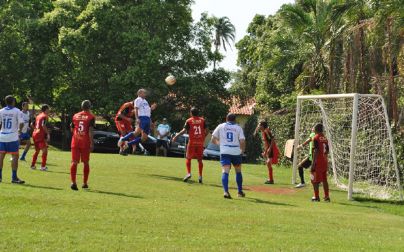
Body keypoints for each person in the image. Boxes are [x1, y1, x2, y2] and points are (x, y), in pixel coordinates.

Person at [211, 113, 246, 199]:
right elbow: (242, 141)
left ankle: (226, 191)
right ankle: (239, 191)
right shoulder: (238, 127)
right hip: (236, 151)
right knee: (238, 171)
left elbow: (213, 139)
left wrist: (220, 145)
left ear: (226, 119)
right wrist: (242, 151)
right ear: (235, 120)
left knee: (225, 171)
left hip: (225, 151)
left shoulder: (221, 126)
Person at [172, 108, 208, 183]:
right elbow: (206, 131)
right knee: (200, 160)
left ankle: (188, 173)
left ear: (191, 113)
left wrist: (176, 136)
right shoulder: (202, 120)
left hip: (192, 142)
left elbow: (184, 130)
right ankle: (200, 176)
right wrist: (203, 137)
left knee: (188, 158)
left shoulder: (189, 121)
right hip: (200, 143)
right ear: (198, 113)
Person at [118, 89, 157, 155]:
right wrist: (137, 118)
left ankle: (128, 144)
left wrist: (151, 109)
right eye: (144, 93)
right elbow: (136, 109)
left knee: (144, 138)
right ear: (140, 93)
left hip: (147, 118)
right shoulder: (138, 99)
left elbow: (147, 112)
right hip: (142, 118)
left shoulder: (145, 101)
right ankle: (123, 139)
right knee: (136, 133)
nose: (145, 94)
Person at [70, 100, 95, 191]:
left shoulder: (75, 115)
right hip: (85, 141)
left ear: (81, 107)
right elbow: (90, 131)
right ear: (90, 107)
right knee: (86, 162)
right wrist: (92, 142)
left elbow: (72, 128)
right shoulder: (91, 117)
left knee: (74, 161)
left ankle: (73, 182)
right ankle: (84, 183)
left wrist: (76, 134)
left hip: (75, 140)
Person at [0, 95, 25, 184]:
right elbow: (21, 123)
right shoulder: (17, 111)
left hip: (2, 136)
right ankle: (14, 177)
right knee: (15, 156)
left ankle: (0, 176)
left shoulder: (1, 111)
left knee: (1, 156)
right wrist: (19, 131)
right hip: (12, 137)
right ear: (13, 101)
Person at [310, 123, 330, 202]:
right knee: (324, 180)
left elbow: (316, 151)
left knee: (314, 179)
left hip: (318, 162)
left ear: (317, 129)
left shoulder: (316, 138)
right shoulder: (325, 138)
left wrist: (313, 163)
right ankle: (326, 196)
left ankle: (316, 196)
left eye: (314, 128)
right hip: (324, 161)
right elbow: (327, 150)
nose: (313, 129)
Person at [31, 104, 50, 171]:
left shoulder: (38, 116)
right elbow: (43, 125)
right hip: (40, 135)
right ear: (46, 109)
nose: (49, 110)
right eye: (48, 109)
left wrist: (36, 130)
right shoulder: (45, 116)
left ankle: (32, 165)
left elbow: (32, 124)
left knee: (37, 151)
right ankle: (43, 166)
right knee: (45, 151)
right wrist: (47, 133)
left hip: (35, 134)